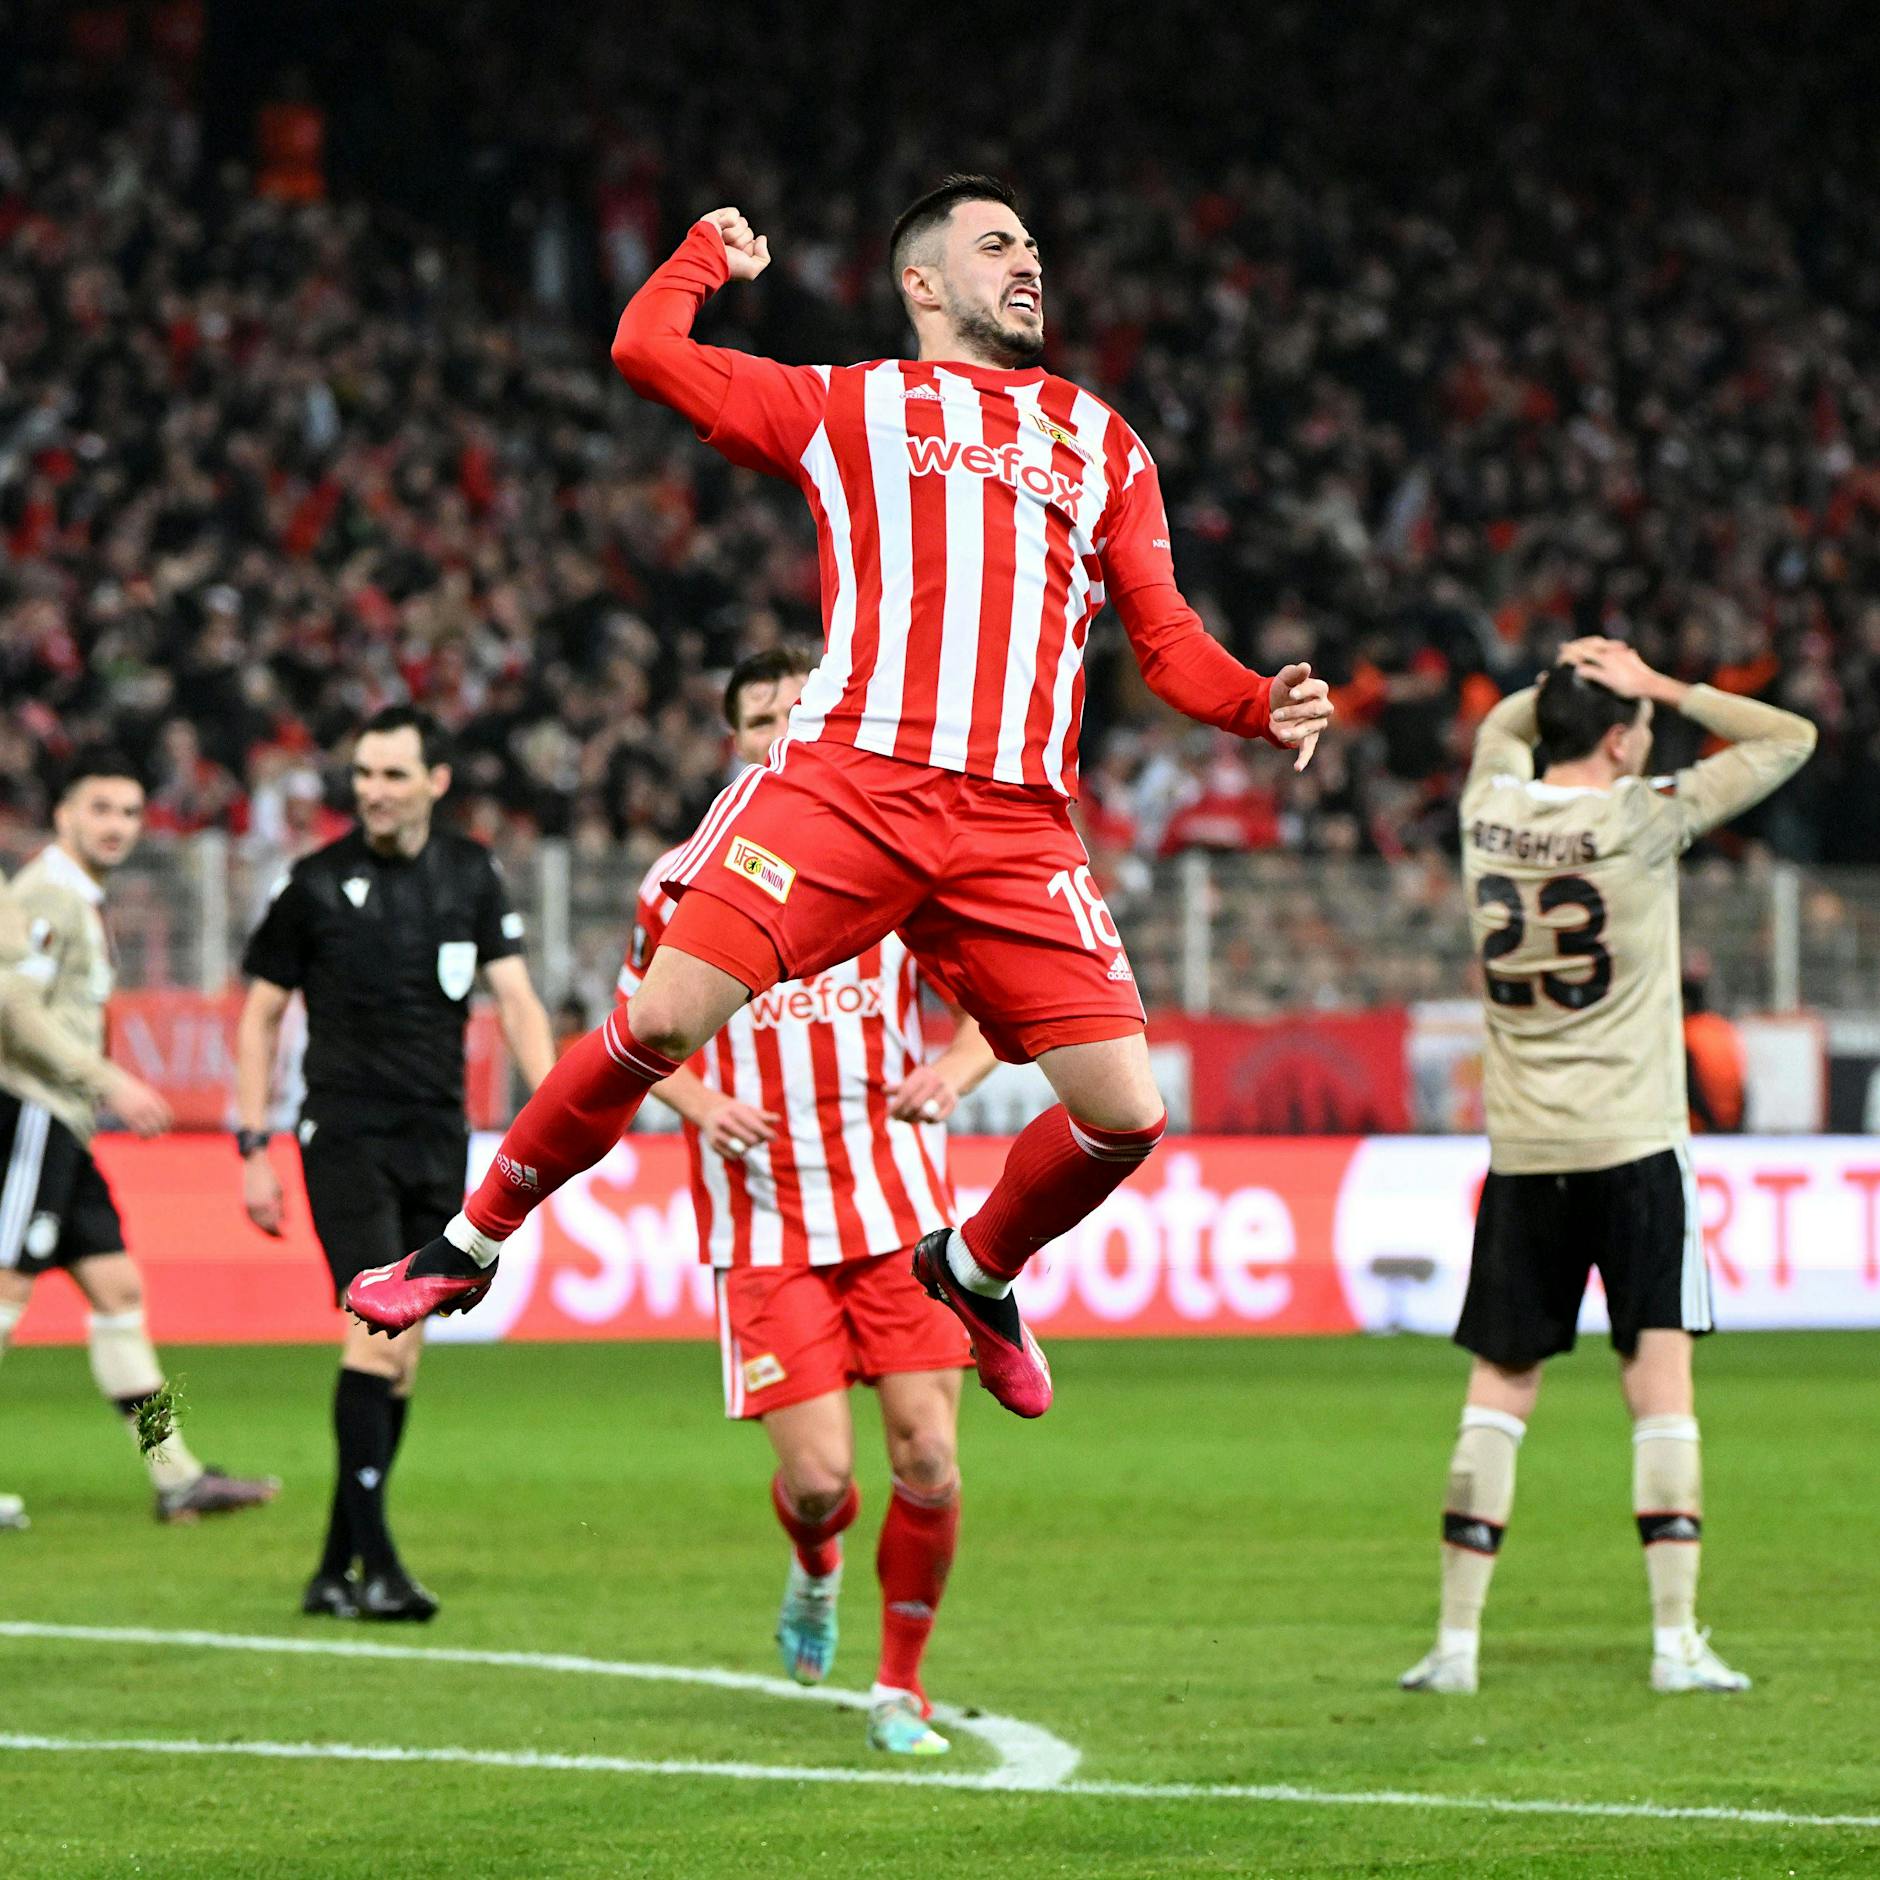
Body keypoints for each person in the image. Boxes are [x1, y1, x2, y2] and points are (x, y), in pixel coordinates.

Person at [348, 176, 1334, 1422]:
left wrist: (1257, 700)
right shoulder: (850, 401)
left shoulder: (1103, 440)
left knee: (1124, 1115)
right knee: (661, 1016)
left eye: (1033, 244)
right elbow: (646, 347)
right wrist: (707, 252)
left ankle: (973, 1269)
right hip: (852, 779)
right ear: (921, 282)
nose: (1028, 262)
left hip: (1014, 820)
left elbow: (1168, 640)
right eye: (995, 246)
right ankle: (468, 1243)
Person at [1401, 638, 1815, 1697]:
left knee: (1497, 1388)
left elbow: (1499, 736)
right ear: (1625, 738)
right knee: (1659, 1386)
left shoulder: (1485, 809)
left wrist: (1554, 683)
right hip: (1633, 1146)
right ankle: (1674, 1642)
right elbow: (1788, 737)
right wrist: (1661, 684)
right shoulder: (1641, 814)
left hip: (1522, 1149)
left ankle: (1454, 1644)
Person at [623, 645, 994, 1756]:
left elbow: (999, 1001)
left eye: (800, 710)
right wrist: (695, 1102)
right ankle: (815, 1562)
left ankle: (898, 1686)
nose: (782, 729)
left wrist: (952, 1075)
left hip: (900, 1213)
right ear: (732, 743)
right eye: (757, 719)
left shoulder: (900, 863)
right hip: (766, 1221)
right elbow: (633, 1035)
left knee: (927, 1455)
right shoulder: (680, 880)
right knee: (823, 1477)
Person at [235, 707, 554, 1620]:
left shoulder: (469, 872)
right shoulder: (316, 885)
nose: (372, 790)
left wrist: (555, 1106)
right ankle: (380, 1568)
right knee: (374, 1333)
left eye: (392, 774)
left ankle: (333, 1571)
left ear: (435, 781)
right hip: (344, 1137)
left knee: (405, 1356)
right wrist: (253, 1144)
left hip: (435, 1139)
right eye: (364, 774)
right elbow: (258, 1015)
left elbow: (519, 998)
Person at [0, 752, 279, 1525]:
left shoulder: (75, 896)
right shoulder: (48, 895)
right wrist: (107, 1079)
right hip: (30, 1112)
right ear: (64, 815)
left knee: (119, 1292)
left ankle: (176, 1474)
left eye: (129, 812)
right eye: (101, 810)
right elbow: (12, 1011)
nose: (118, 826)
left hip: (64, 1123)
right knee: (5, 1293)